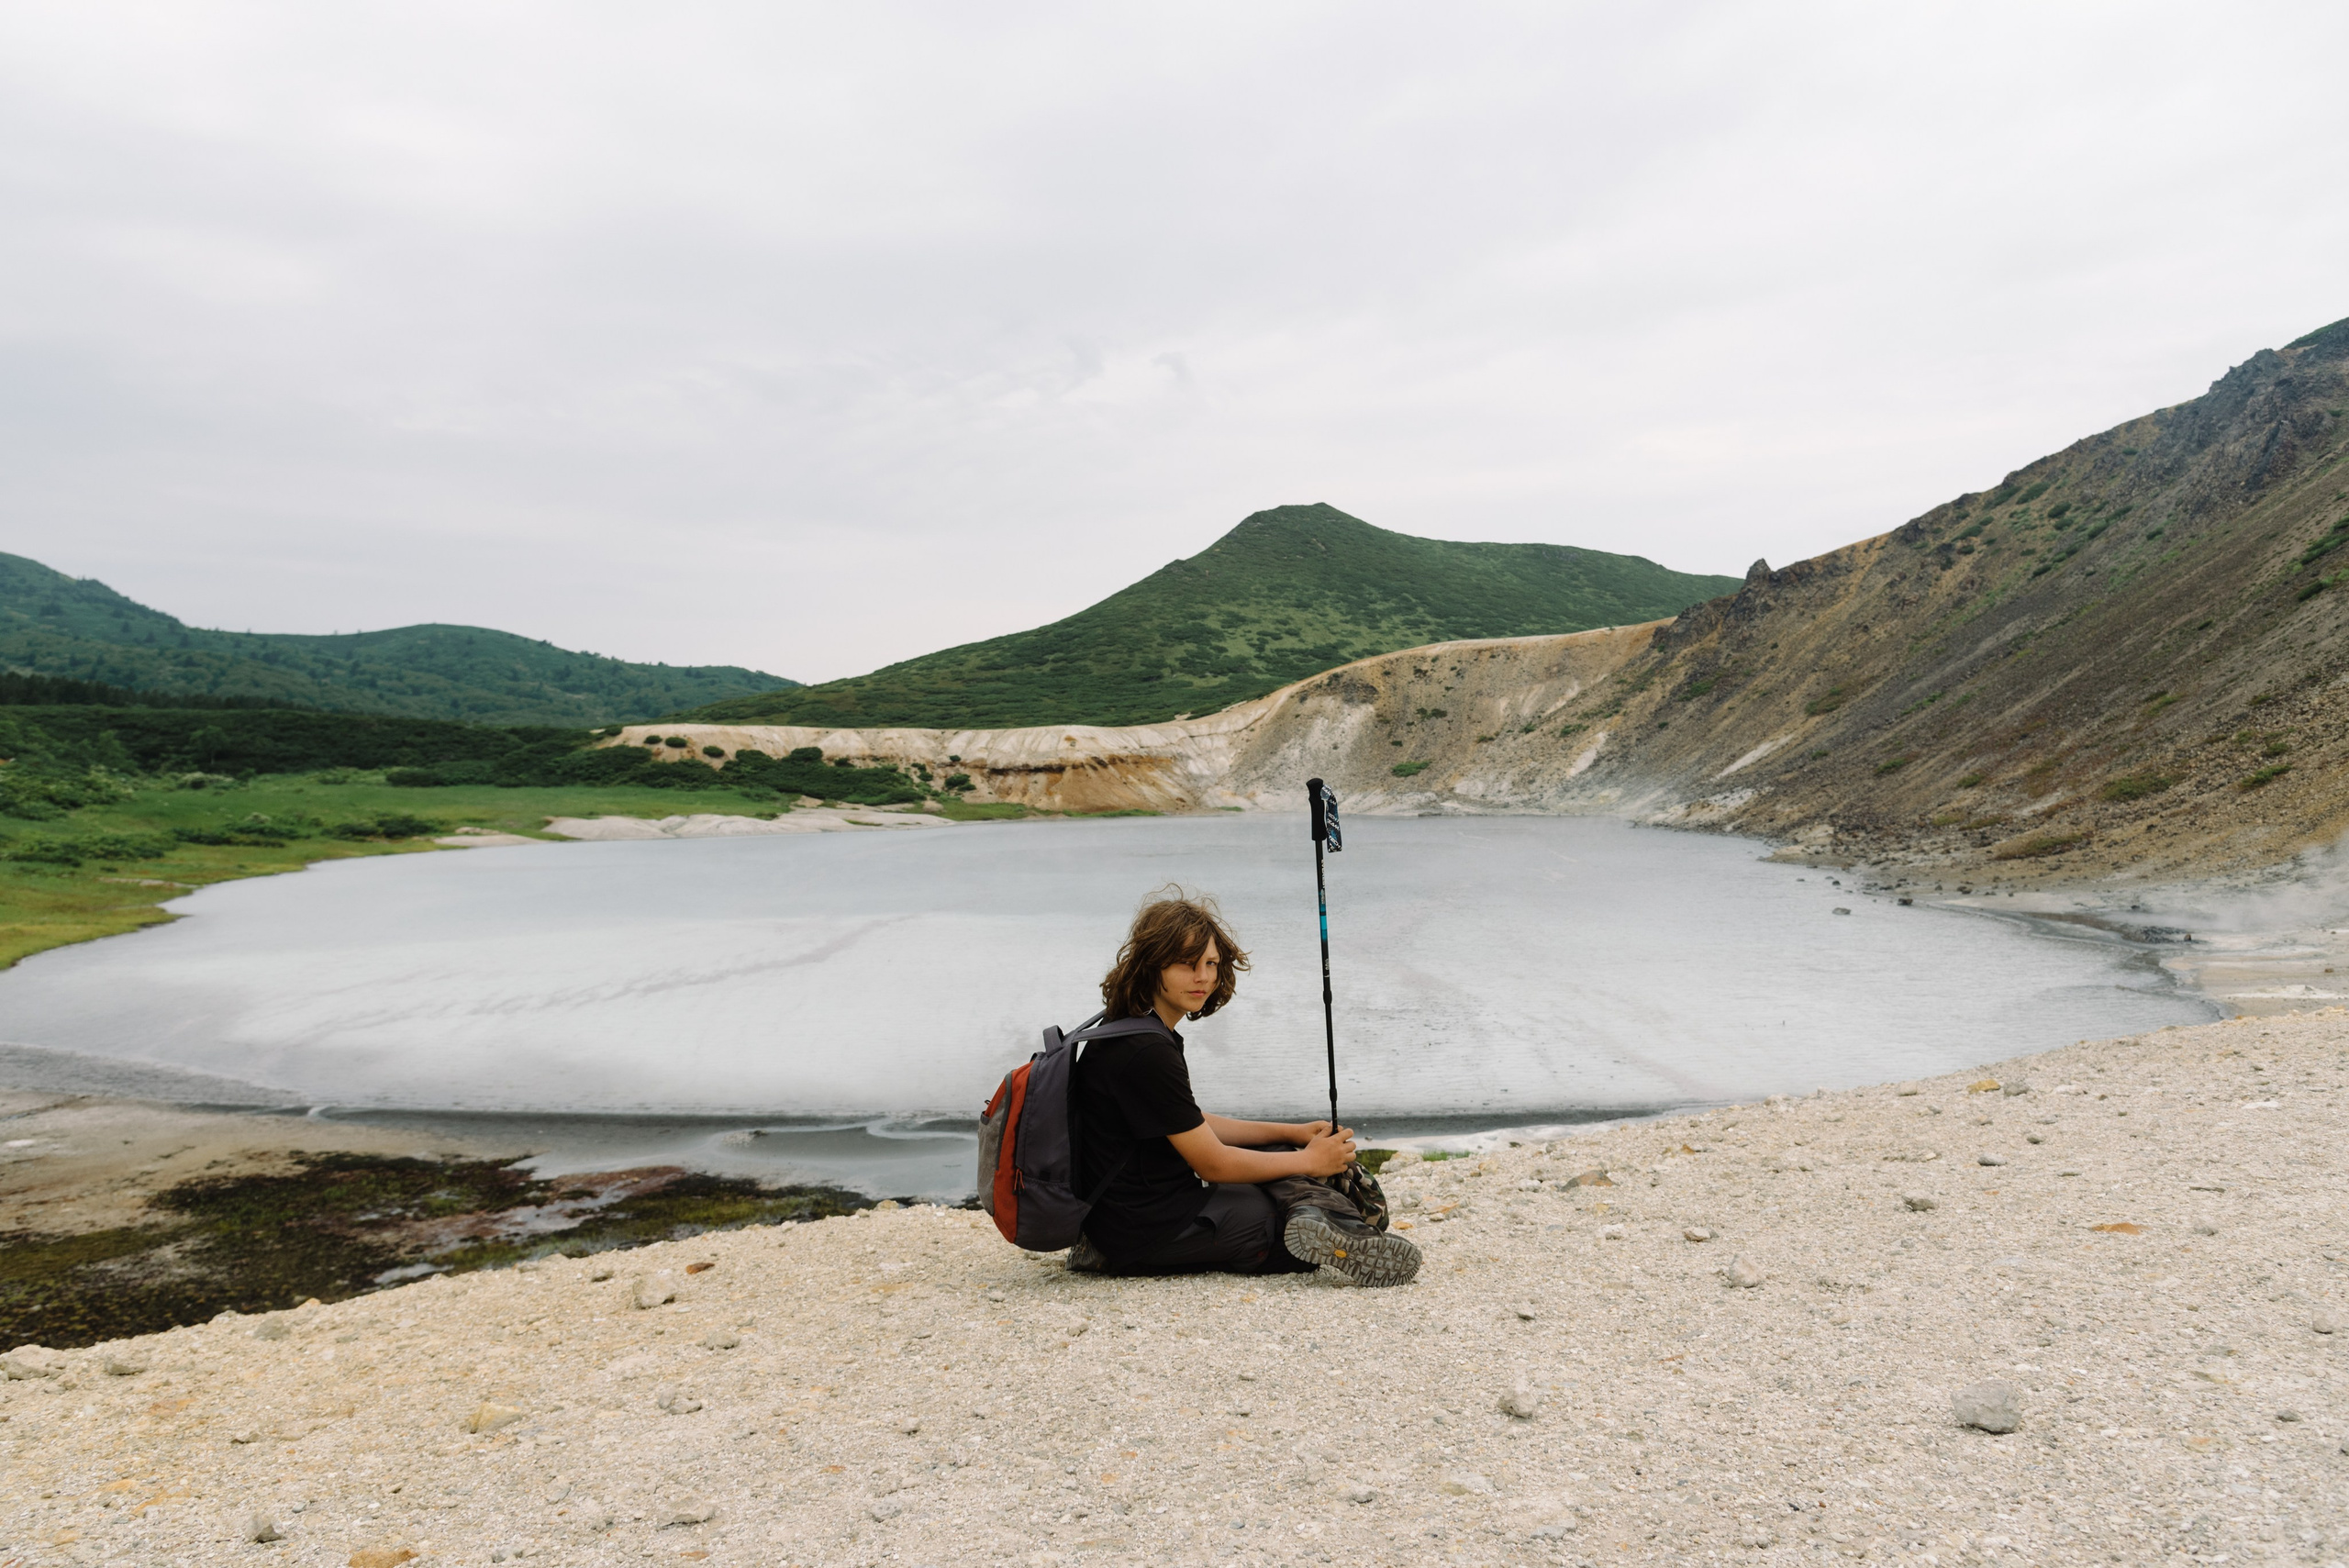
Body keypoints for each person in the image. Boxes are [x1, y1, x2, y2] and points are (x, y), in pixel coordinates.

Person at [1065, 889, 1421, 1287]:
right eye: (1186, 964)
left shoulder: (1130, 1026)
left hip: (1128, 1213)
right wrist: (1310, 1162)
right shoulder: (1146, 1049)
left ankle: (1333, 1222)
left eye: (1211, 963)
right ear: (1153, 965)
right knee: (1288, 1226)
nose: (1203, 977)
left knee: (1277, 1156)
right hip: (1144, 1230)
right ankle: (1339, 1227)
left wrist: (1291, 1134)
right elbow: (1212, 1164)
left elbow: (1189, 1121)